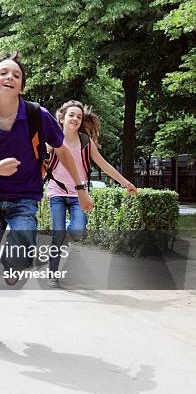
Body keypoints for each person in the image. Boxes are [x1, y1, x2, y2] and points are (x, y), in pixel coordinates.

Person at [0, 52, 94, 344]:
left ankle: (12, 264)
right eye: (3, 73)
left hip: (24, 197)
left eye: (16, 75)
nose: (10, 77)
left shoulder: (37, 114)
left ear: (21, 86)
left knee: (23, 244)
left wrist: (81, 189)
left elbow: (62, 151)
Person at [46, 100, 138, 287]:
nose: (75, 119)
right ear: (62, 118)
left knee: (78, 232)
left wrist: (126, 183)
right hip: (57, 191)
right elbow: (36, 158)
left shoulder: (85, 142)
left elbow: (104, 165)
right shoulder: (53, 140)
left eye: (79, 116)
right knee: (58, 234)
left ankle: (64, 231)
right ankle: (52, 274)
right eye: (71, 115)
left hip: (79, 195)